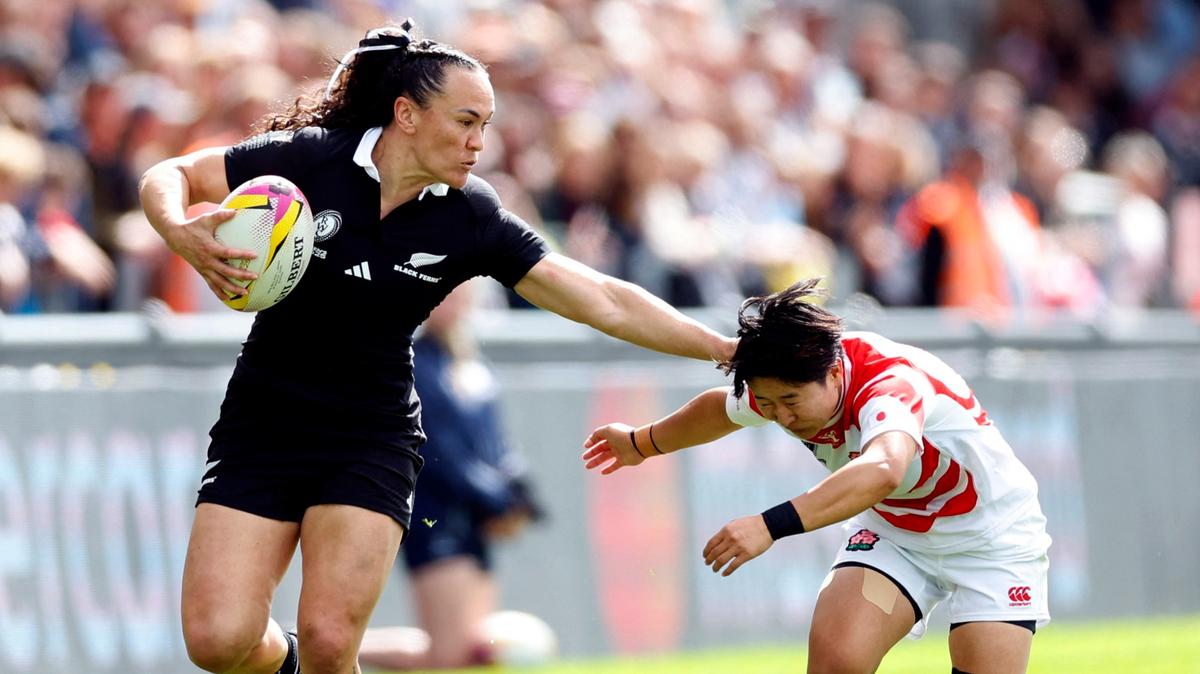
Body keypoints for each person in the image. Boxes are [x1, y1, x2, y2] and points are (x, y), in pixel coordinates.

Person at [137, 20, 735, 674]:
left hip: (372, 435)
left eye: (488, 124)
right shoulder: (312, 159)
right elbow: (174, 174)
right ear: (407, 115)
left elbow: (601, 296)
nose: (480, 142)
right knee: (218, 641)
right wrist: (178, 230)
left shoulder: (469, 215)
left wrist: (720, 347)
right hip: (263, 422)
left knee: (333, 642)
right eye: (466, 121)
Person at [583, 278, 1051, 674]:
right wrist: (642, 442)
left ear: (833, 373)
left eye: (789, 402)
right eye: (768, 405)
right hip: (897, 535)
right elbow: (720, 410)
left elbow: (885, 467)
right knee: (834, 665)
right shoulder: (784, 382)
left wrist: (770, 525)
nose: (780, 417)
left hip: (994, 540)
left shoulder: (889, 382)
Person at [358, 281, 544, 670]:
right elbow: (439, 452)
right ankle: (304, 647)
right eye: (447, 295)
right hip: (436, 517)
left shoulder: (470, 362)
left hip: (474, 519)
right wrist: (498, 500)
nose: (456, 304)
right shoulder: (414, 362)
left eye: (462, 295)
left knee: (470, 652)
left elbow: (496, 443)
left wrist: (518, 498)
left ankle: (311, 645)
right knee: (449, 653)